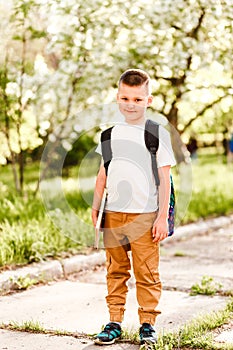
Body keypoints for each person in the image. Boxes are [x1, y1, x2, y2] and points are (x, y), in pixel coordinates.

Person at [92, 69, 176, 346]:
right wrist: (96, 207)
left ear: (148, 100)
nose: (131, 104)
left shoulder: (155, 134)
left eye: (138, 99)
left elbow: (164, 179)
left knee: (146, 272)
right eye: (126, 98)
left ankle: (147, 324)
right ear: (118, 98)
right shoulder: (109, 135)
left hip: (145, 215)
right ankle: (114, 321)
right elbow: (103, 173)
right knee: (115, 270)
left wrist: (162, 217)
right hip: (113, 214)